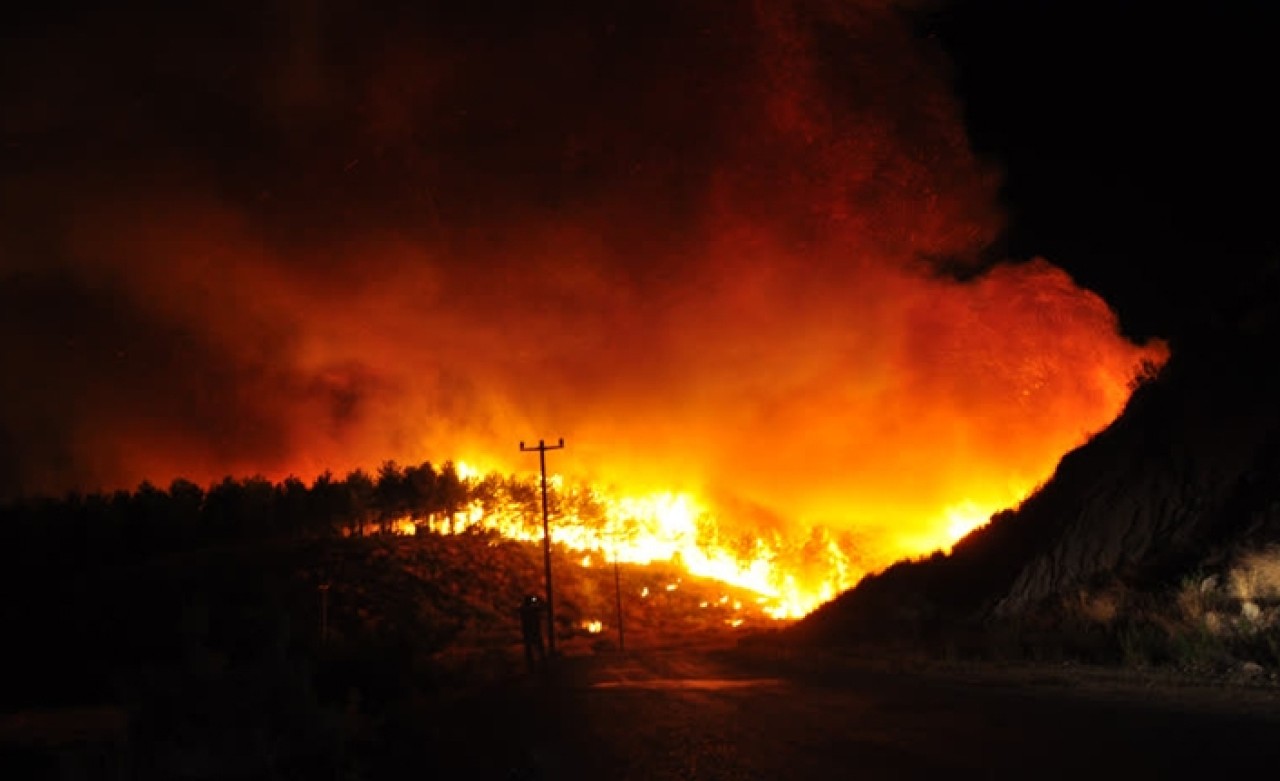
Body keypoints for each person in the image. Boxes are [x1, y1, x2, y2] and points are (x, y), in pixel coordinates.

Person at [519, 594, 546, 672]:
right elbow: (542, 607)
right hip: (534, 631)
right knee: (538, 648)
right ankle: (542, 663)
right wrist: (539, 601)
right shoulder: (532, 609)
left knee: (529, 649)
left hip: (527, 632)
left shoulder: (524, 609)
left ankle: (531, 665)